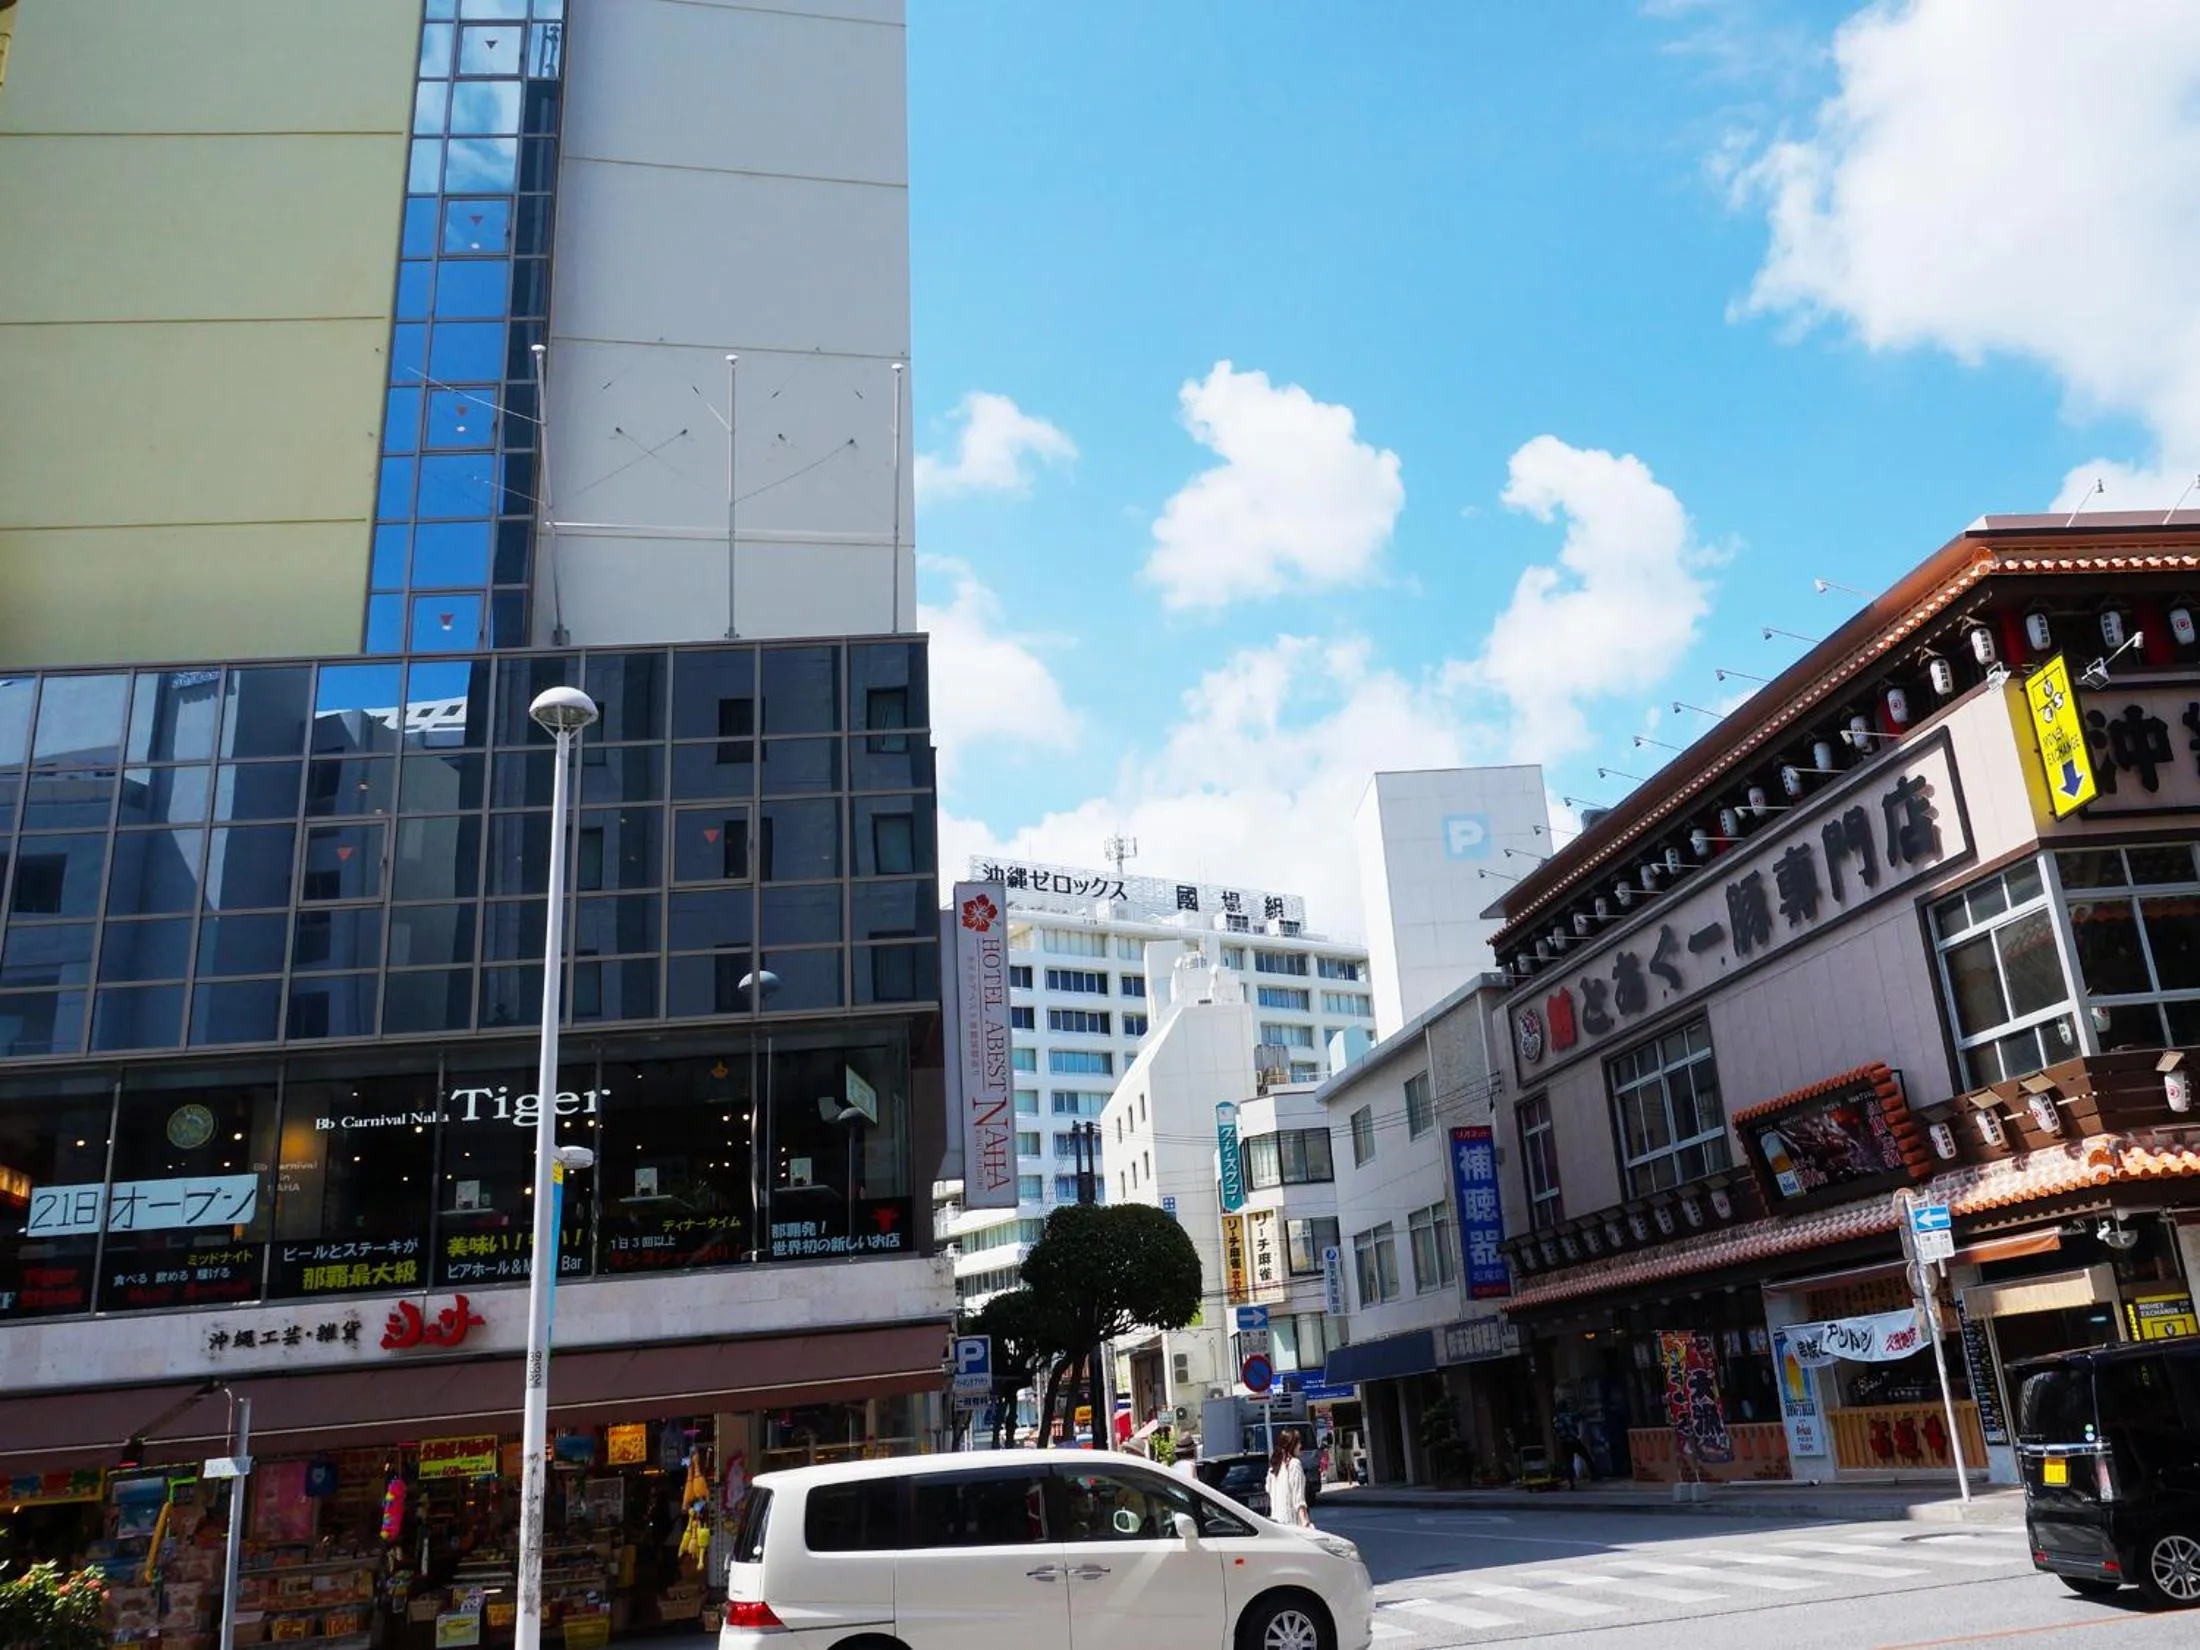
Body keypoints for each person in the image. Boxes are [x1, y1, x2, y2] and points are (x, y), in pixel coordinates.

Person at [1265, 1431, 1312, 1528]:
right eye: (1298, 1443)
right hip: (1292, 1525)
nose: (1300, 1445)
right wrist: (1305, 1521)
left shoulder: (1273, 1468)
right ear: (1291, 1445)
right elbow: (1298, 1499)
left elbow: (1268, 1491)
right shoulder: (1294, 1464)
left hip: (1276, 1524)